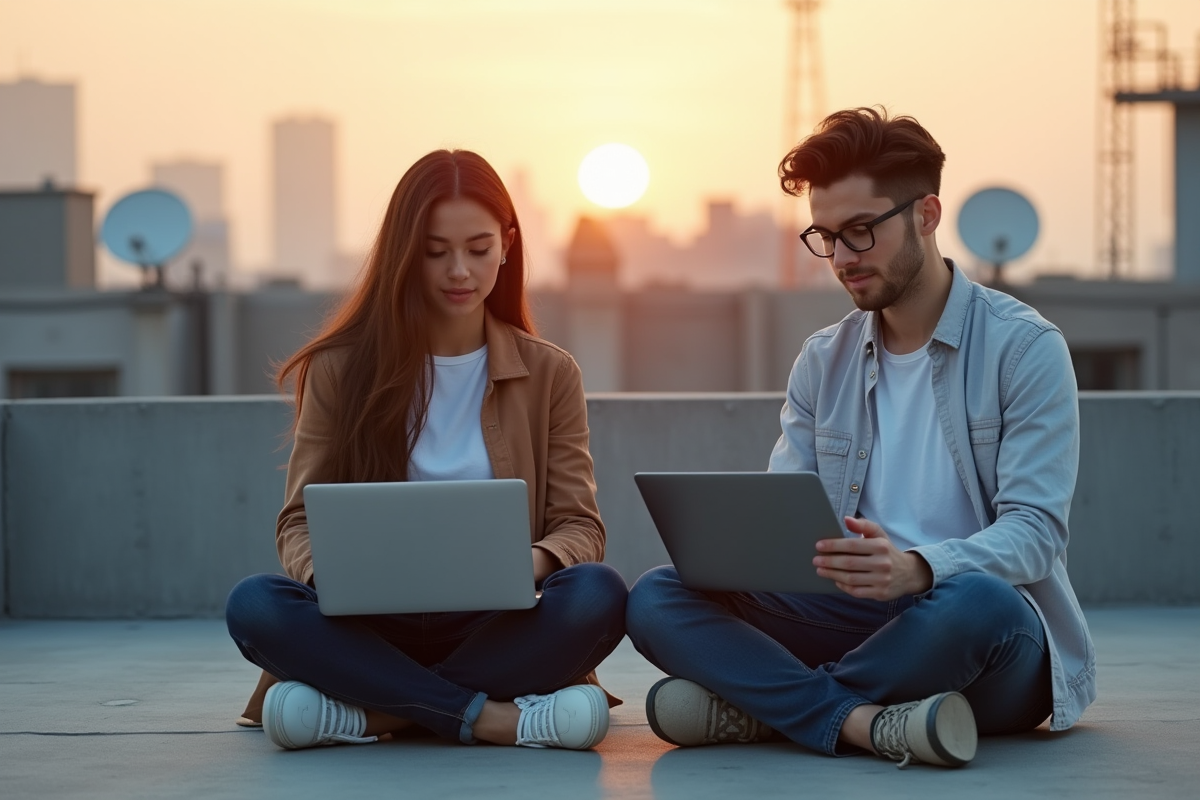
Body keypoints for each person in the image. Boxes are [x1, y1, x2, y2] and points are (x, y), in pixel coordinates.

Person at [625, 107, 1095, 768]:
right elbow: (784, 519)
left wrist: (917, 567)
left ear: (926, 216)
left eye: (861, 232)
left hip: (979, 636)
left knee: (976, 601)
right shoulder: (824, 359)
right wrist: (759, 556)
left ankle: (771, 710)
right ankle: (866, 721)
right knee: (656, 594)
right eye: (826, 237)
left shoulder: (1023, 348)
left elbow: (1037, 535)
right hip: (851, 620)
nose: (842, 258)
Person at [226, 149, 628, 752]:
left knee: (599, 594)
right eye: (435, 252)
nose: (459, 271)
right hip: (368, 625)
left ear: (508, 243)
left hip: (495, 624)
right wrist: (337, 576)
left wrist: (530, 563)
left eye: (478, 248)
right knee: (255, 603)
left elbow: (578, 525)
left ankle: (375, 714)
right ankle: (495, 718)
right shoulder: (340, 370)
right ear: (403, 252)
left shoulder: (550, 373)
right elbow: (298, 523)